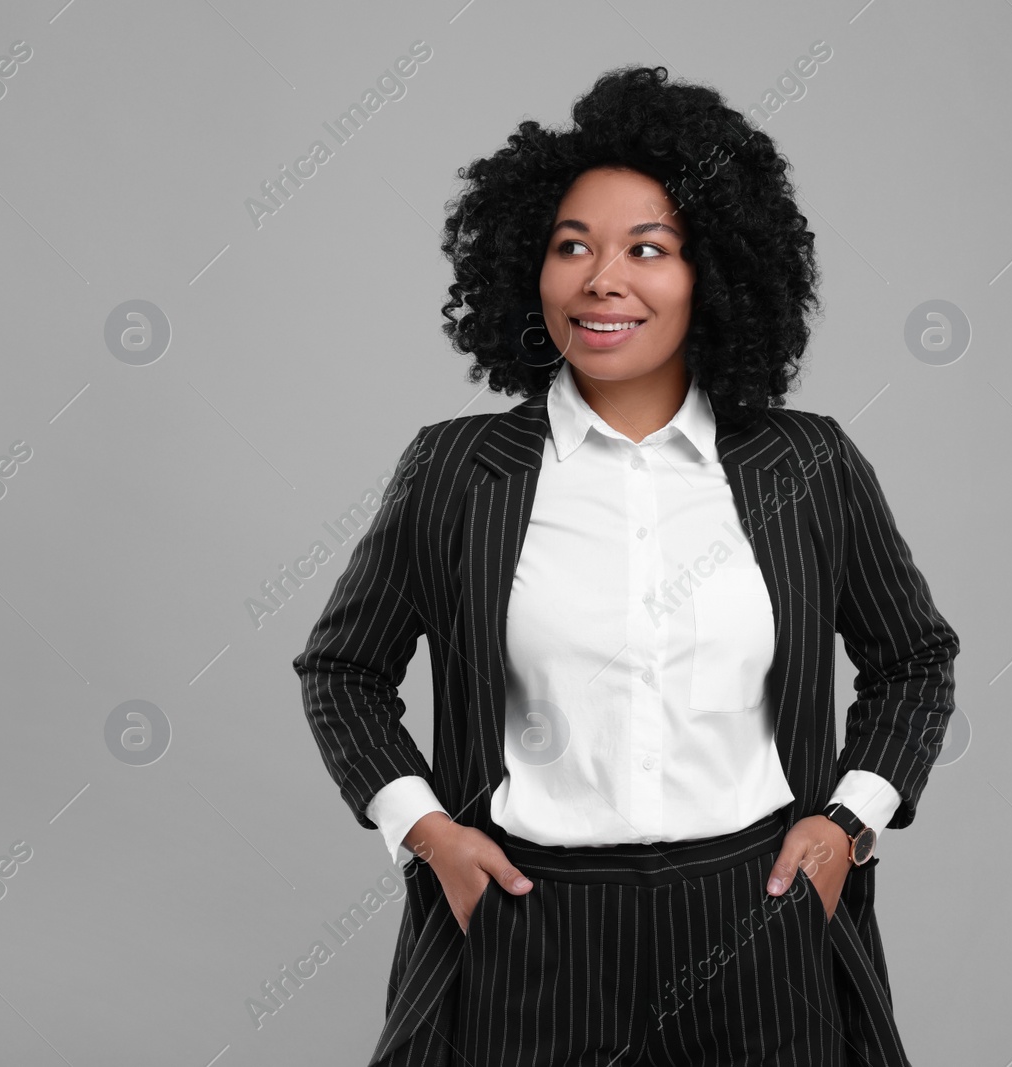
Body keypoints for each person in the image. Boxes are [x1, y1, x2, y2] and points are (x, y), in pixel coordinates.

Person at [292, 65, 959, 1067]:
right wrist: (426, 831)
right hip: (530, 926)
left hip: (758, 916)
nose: (603, 279)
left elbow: (912, 658)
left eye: (648, 249)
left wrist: (846, 826)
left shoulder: (808, 463)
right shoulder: (455, 470)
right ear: (530, 269)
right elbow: (343, 671)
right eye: (573, 247)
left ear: (715, 275)